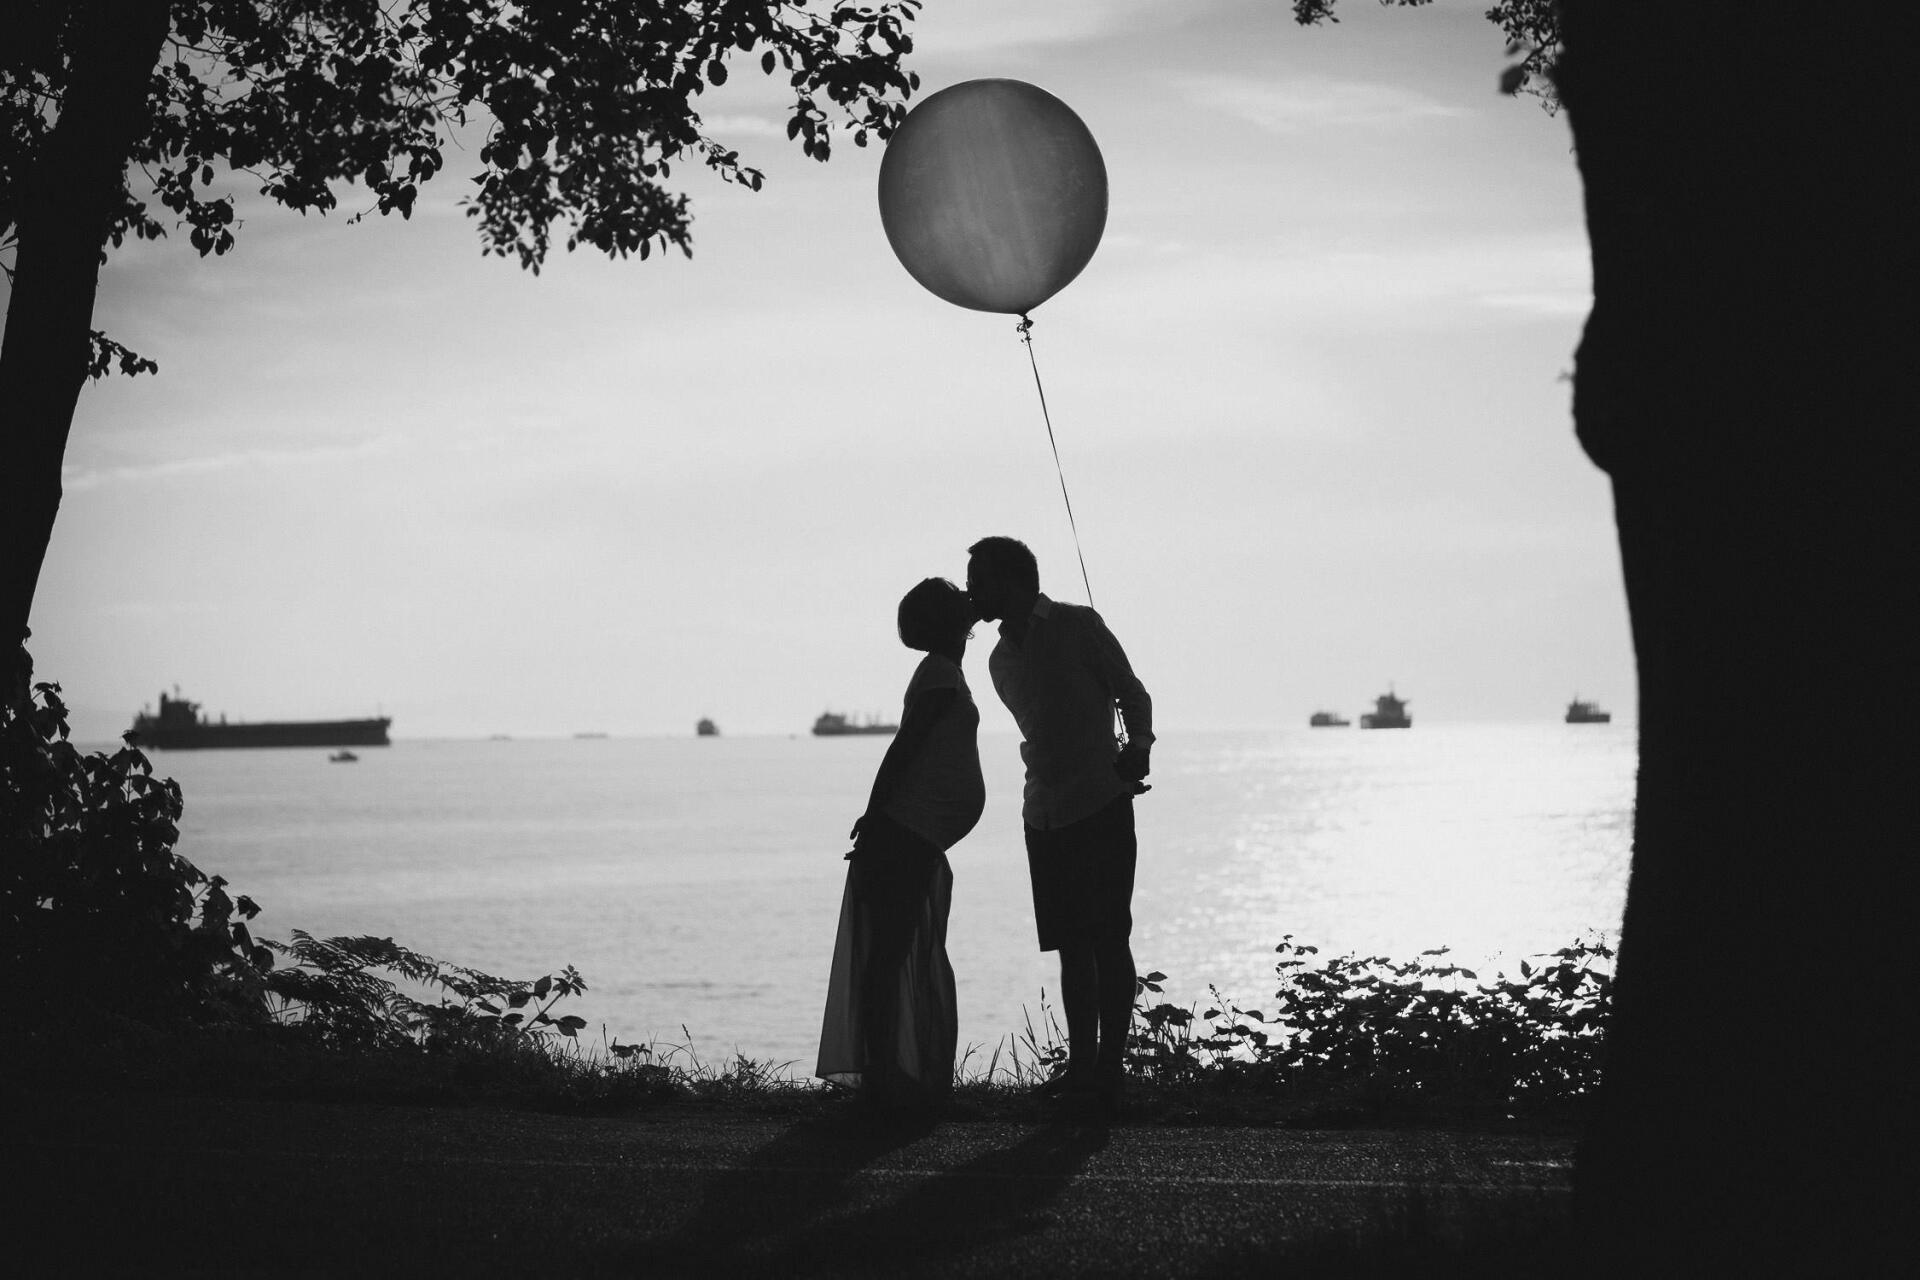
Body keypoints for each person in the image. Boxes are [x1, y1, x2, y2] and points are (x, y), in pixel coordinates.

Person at [966, 535, 1152, 1115]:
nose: (972, 590)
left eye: (979, 579)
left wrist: (1139, 747)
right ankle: (1081, 1071)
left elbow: (1132, 693)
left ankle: (1110, 1071)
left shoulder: (1077, 625)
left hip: (1099, 801)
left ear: (1014, 581)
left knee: (1109, 937)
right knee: (1072, 946)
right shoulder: (998, 658)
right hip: (1042, 812)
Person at [817, 578, 984, 1111]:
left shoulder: (944, 671)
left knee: (891, 954)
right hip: (904, 830)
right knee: (888, 957)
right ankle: (884, 1079)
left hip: (912, 830)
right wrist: (875, 814)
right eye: (959, 599)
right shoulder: (938, 672)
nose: (969, 602)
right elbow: (905, 747)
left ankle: (888, 1075)